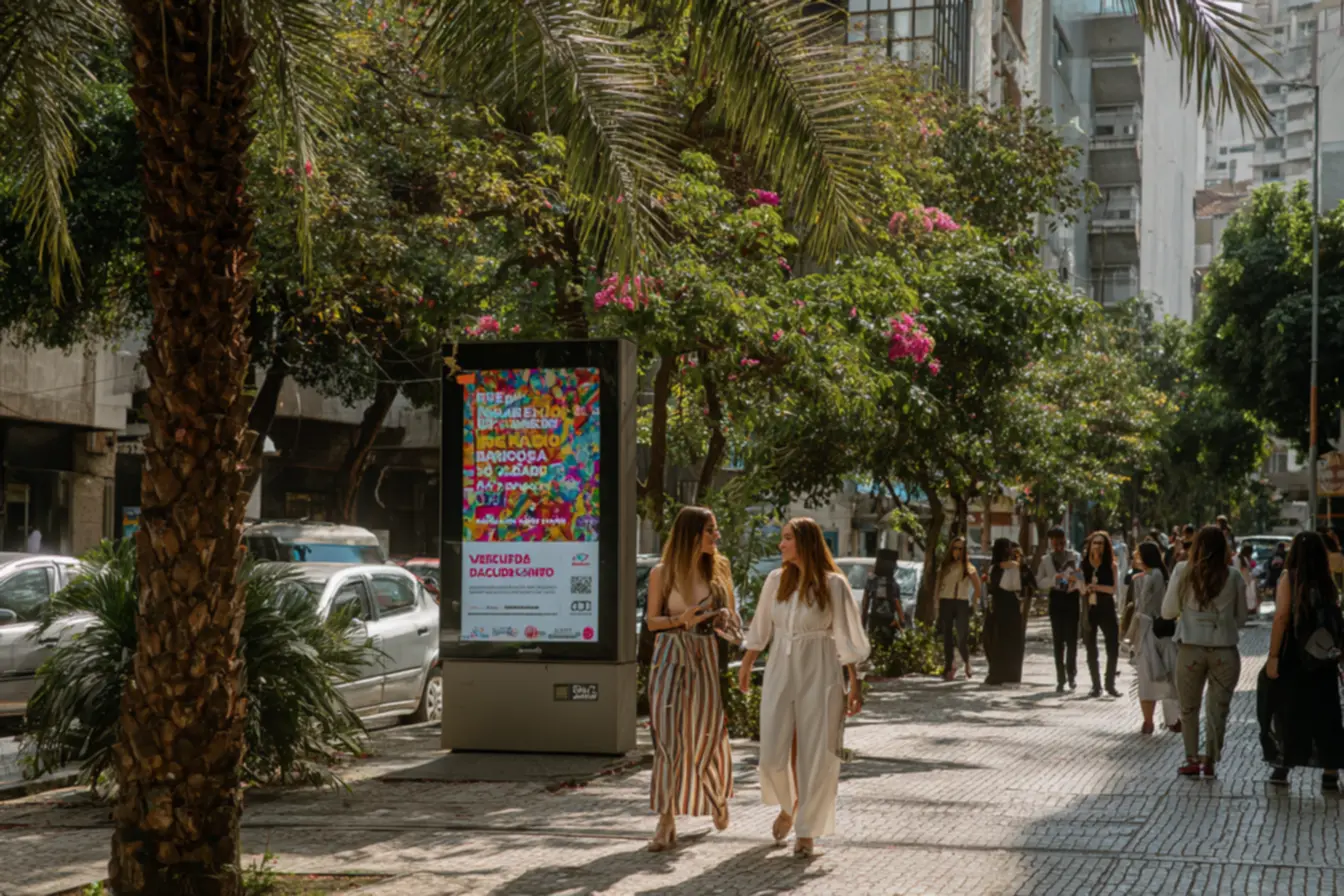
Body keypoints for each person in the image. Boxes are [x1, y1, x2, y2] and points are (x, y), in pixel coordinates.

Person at [739, 518, 869, 858]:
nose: (780, 544)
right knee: (771, 754)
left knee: (816, 752)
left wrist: (854, 684)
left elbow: (845, 637)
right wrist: (747, 663)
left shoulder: (833, 584)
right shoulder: (775, 580)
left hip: (821, 668)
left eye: (787, 538)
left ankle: (807, 830)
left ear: (805, 543)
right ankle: (790, 804)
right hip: (780, 666)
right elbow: (761, 627)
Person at [644, 506, 738, 851]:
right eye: (710, 530)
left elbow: (733, 621)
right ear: (692, 534)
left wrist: (724, 616)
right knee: (667, 737)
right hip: (669, 653)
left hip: (705, 653)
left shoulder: (719, 570)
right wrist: (680, 619)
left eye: (716, 529)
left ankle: (716, 797)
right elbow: (652, 622)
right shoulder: (662, 573)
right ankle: (666, 818)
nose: (717, 536)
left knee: (706, 733)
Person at [1162, 525, 1247, 779]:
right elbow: (1241, 618)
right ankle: (1210, 760)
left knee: (1189, 707)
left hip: (1191, 649)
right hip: (1225, 651)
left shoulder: (1182, 571)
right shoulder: (1234, 577)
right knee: (1217, 709)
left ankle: (1191, 758)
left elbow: (1167, 611)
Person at [1261, 531, 1344, 790]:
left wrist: (1273, 656)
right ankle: (1330, 770)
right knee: (1327, 711)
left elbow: (1281, 618)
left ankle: (1283, 764)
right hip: (1323, 657)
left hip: (1294, 656)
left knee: (1288, 708)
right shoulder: (1327, 580)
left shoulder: (1289, 577)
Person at [1129, 542, 1179, 735]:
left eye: (1137, 554)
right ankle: (1168, 719)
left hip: (1150, 631)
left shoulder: (1152, 576)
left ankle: (1150, 721)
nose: (1135, 557)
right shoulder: (1161, 574)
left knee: (1149, 676)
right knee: (1165, 675)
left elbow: (1143, 603)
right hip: (1161, 631)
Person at [1037, 527, 1081, 692]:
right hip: (1056, 599)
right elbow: (1039, 581)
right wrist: (1053, 580)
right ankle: (1060, 678)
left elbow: (1081, 575)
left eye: (1061, 542)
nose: (1059, 546)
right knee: (1058, 640)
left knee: (1072, 640)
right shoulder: (1046, 560)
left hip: (1071, 598)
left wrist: (1074, 578)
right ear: (1051, 543)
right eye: (1055, 543)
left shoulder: (1074, 556)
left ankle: (1071, 674)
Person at [934, 535, 982, 681]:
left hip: (961, 602)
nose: (957, 551)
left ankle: (967, 662)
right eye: (955, 548)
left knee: (962, 637)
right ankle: (949, 666)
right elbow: (938, 587)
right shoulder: (945, 566)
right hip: (946, 601)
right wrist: (936, 605)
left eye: (961, 549)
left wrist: (975, 603)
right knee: (947, 636)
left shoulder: (969, 568)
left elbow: (978, 587)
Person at [1080, 531, 1121, 698]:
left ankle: (1110, 684)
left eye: (1101, 543)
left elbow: (1113, 589)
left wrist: (1096, 587)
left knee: (1113, 645)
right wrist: (1083, 587)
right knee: (1090, 646)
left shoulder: (1111, 565)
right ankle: (1095, 685)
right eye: (1095, 543)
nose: (1097, 546)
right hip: (1090, 608)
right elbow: (1080, 586)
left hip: (1106, 607)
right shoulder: (1083, 565)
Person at [983, 538, 1025, 685]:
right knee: (995, 640)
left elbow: (1016, 586)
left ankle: (1007, 673)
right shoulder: (996, 568)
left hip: (1007, 605)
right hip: (1000, 606)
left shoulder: (1012, 567)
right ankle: (999, 672)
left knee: (1008, 640)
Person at [860, 548, 905, 650]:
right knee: (887, 649)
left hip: (875, 620)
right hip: (888, 621)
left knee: (874, 648)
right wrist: (902, 622)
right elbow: (897, 603)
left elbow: (865, 603)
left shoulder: (872, 581)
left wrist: (863, 621)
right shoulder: (893, 583)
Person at [1235, 542, 1258, 620]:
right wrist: (1249, 581)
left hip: (1239, 580)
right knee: (1247, 597)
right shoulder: (1243, 559)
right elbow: (1246, 572)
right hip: (1244, 580)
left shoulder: (1237, 558)